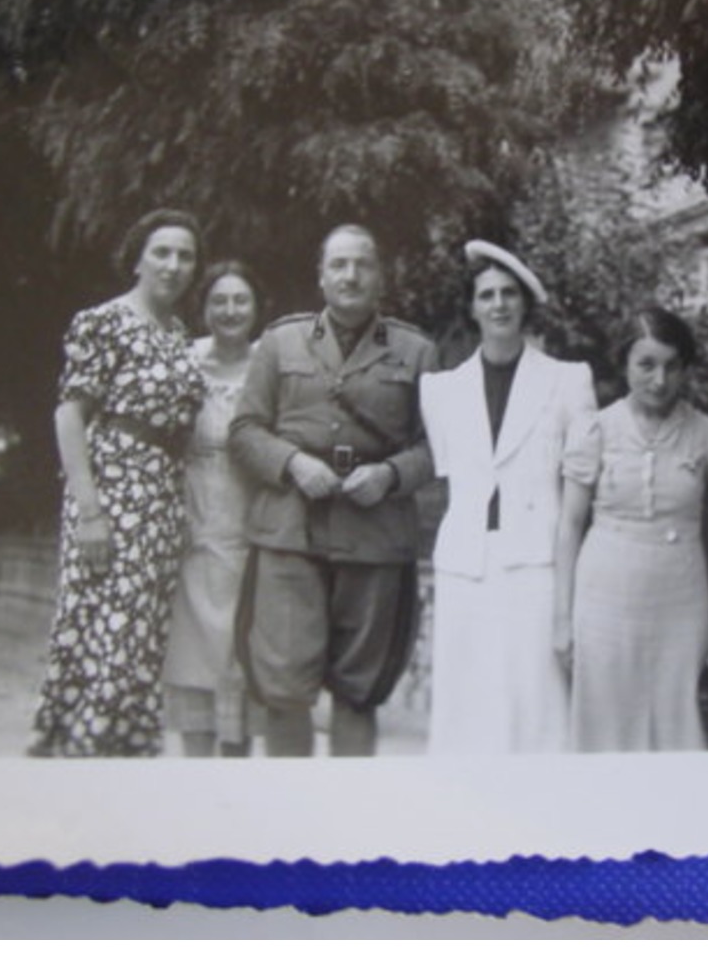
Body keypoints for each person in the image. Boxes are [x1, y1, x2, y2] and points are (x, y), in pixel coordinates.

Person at [227, 224, 436, 757]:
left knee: (359, 694)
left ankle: (351, 824)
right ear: (320, 277)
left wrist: (390, 475)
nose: (350, 275)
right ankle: (293, 823)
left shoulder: (417, 352)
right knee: (285, 693)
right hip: (290, 537)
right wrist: (293, 462)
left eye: (362, 264)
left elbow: (438, 448)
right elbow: (245, 431)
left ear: (380, 277)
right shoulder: (279, 342)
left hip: (374, 539)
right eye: (338, 265)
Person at [29, 209, 207, 758]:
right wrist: (90, 512)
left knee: (137, 644)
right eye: (162, 252)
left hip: (160, 502)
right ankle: (78, 758)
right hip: (110, 497)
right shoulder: (102, 321)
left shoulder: (179, 334)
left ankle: (120, 759)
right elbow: (68, 416)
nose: (174, 265)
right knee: (101, 636)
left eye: (185, 256)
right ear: (137, 259)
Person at [419, 241, 597, 754]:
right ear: (473, 308)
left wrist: (568, 603)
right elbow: (455, 477)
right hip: (465, 567)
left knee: (536, 707)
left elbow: (574, 501)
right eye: (487, 295)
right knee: (466, 709)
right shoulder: (440, 391)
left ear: (524, 304)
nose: (499, 304)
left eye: (509, 294)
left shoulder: (568, 381)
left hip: (535, 565)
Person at [556, 306, 708, 753]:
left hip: (680, 597)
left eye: (671, 366)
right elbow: (568, 526)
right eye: (646, 365)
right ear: (623, 364)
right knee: (605, 726)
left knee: (678, 720)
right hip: (604, 597)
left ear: (685, 367)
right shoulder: (594, 430)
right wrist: (561, 621)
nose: (660, 380)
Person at [161, 260, 266, 758]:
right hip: (194, 532)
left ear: (256, 308)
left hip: (252, 537)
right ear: (203, 310)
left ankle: (238, 797)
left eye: (240, 300)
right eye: (219, 301)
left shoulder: (271, 366)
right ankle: (199, 793)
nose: (230, 311)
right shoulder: (182, 364)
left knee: (241, 671)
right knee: (193, 669)